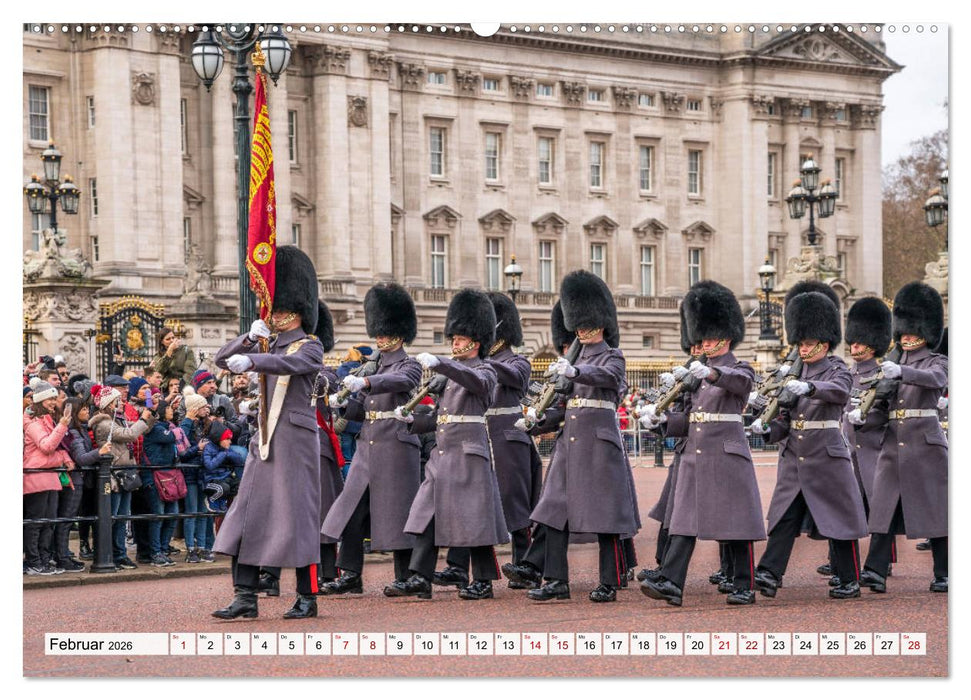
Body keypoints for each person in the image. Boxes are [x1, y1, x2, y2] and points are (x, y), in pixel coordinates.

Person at [504, 271, 638, 603]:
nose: (581, 329)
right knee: (552, 512)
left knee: (604, 516)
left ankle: (608, 581)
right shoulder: (572, 358)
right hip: (570, 443)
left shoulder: (612, 355)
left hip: (599, 443)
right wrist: (536, 420)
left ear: (601, 323)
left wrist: (575, 371)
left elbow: (608, 378)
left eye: (586, 322)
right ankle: (555, 580)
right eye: (578, 323)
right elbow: (563, 406)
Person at [211, 245, 326, 620]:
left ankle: (307, 597)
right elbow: (220, 359)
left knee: (298, 520)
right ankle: (246, 596)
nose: (272, 314)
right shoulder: (265, 341)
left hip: (294, 444)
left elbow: (288, 363)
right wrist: (247, 339)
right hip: (264, 444)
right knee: (248, 516)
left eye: (276, 309)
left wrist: (255, 358)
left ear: (293, 312)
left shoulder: (310, 346)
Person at [639, 280, 765, 606]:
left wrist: (712, 375)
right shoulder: (697, 375)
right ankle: (671, 582)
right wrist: (662, 422)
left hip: (726, 452)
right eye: (702, 337)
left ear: (725, 337)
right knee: (683, 521)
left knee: (735, 523)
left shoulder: (739, 367)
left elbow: (742, 384)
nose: (704, 343)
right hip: (696, 452)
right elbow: (691, 418)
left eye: (709, 337)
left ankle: (743, 585)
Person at [386, 289, 508, 600]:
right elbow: (444, 417)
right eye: (452, 338)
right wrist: (411, 421)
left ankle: (483, 581)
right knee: (427, 514)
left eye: (460, 338)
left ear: (475, 342)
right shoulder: (453, 375)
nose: (454, 342)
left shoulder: (485, 370)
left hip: (469, 453)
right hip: (443, 454)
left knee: (474, 519)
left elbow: (477, 385)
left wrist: (442, 364)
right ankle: (419, 576)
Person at [749, 290, 867, 600]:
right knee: (784, 517)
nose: (802, 348)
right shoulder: (791, 373)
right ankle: (769, 573)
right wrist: (766, 427)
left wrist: (810, 387)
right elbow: (783, 420)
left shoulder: (837, 369)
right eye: (800, 343)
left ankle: (849, 579)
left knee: (839, 519)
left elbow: (840, 392)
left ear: (824, 344)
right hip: (795, 456)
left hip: (826, 453)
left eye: (807, 343)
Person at [432, 292, 542, 591]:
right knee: (469, 505)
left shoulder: (516, 361)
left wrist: (478, 363)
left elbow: (512, 378)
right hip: (475, 437)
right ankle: (458, 565)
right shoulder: (470, 363)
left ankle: (526, 564)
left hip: (506, 437)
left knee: (514, 504)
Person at [320, 283, 422, 596]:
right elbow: (359, 409)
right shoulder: (373, 364)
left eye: (385, 332)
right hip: (368, 445)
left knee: (398, 513)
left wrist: (366, 380)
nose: (379, 337)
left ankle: (406, 576)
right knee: (351, 510)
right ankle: (350, 574)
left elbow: (402, 381)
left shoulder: (410, 364)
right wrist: (339, 402)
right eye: (377, 332)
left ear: (399, 334)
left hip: (395, 445)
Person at [852, 282, 948, 594]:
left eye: (910, 332)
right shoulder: (891, 365)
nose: (905, 337)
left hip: (925, 443)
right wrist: (863, 417)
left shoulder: (936, 360)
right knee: (884, 509)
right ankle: (875, 571)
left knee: (936, 511)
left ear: (923, 332)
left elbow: (937, 381)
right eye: (902, 332)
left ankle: (945, 572)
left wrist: (901, 373)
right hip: (893, 444)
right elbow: (883, 409)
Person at [259, 301, 341, 597]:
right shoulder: (278, 351)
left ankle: (324, 575)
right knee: (274, 513)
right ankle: (269, 574)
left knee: (316, 516)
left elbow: (327, 392)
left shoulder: (322, 368)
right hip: (281, 443)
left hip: (315, 448)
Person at [825, 296, 894, 585]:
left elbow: (890, 413)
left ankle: (878, 566)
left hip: (875, 449)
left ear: (873, 343)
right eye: (852, 343)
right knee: (843, 506)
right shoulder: (846, 373)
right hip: (848, 449)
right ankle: (839, 562)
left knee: (880, 509)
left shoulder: (883, 374)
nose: (854, 347)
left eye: (859, 343)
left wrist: (870, 419)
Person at [88, 385, 156, 570]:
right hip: (114, 473)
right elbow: (130, 435)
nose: (120, 403)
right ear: (108, 403)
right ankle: (112, 554)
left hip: (125, 472)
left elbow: (140, 431)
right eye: (117, 400)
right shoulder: (103, 423)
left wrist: (150, 416)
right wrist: (142, 420)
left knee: (123, 517)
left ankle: (120, 554)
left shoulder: (117, 419)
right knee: (114, 517)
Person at [23, 382, 74, 575]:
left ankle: (44, 559)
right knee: (36, 522)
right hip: (37, 477)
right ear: (40, 400)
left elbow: (55, 448)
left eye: (54, 398)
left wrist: (64, 457)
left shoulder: (46, 420)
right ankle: (34, 560)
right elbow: (46, 446)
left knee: (49, 521)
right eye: (51, 399)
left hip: (49, 475)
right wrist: (61, 426)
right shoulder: (33, 423)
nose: (54, 402)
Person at [66, 394, 112, 562]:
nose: (87, 411)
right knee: (79, 514)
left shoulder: (83, 429)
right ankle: (76, 549)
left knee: (90, 513)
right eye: (83, 409)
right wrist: (100, 452)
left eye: (87, 408)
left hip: (88, 479)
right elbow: (81, 458)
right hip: (81, 479)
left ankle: (82, 548)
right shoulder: (74, 432)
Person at [179, 391, 214, 563]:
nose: (206, 408)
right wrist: (198, 448)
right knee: (192, 512)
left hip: (202, 473)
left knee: (202, 511)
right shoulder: (186, 425)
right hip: (190, 473)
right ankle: (190, 549)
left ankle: (202, 547)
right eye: (202, 406)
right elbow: (181, 452)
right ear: (194, 409)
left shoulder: (204, 424)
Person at [201, 423, 246, 513]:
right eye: (227, 439)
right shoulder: (208, 448)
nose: (230, 442)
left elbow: (240, 460)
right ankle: (211, 500)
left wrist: (228, 453)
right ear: (219, 439)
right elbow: (209, 465)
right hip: (211, 480)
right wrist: (223, 454)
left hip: (224, 479)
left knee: (240, 485)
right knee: (223, 488)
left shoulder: (226, 449)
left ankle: (223, 501)